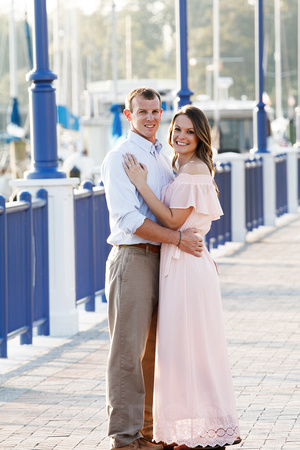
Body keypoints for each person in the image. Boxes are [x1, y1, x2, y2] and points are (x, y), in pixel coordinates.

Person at [122, 105, 241, 450]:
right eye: (177, 129)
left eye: (189, 131)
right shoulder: (180, 168)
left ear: (200, 136)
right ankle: (188, 429)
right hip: (182, 263)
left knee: (192, 347)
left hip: (187, 267)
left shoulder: (196, 169)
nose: (181, 136)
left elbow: (174, 222)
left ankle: (205, 428)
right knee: (180, 348)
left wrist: (142, 185)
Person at [100, 88, 203, 450]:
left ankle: (147, 433)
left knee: (155, 352)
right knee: (127, 352)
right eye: (142, 112)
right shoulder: (120, 157)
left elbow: (172, 210)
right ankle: (125, 439)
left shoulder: (162, 156)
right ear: (129, 116)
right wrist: (176, 240)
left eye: (156, 111)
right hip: (133, 259)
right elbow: (128, 219)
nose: (150, 118)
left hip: (162, 261)